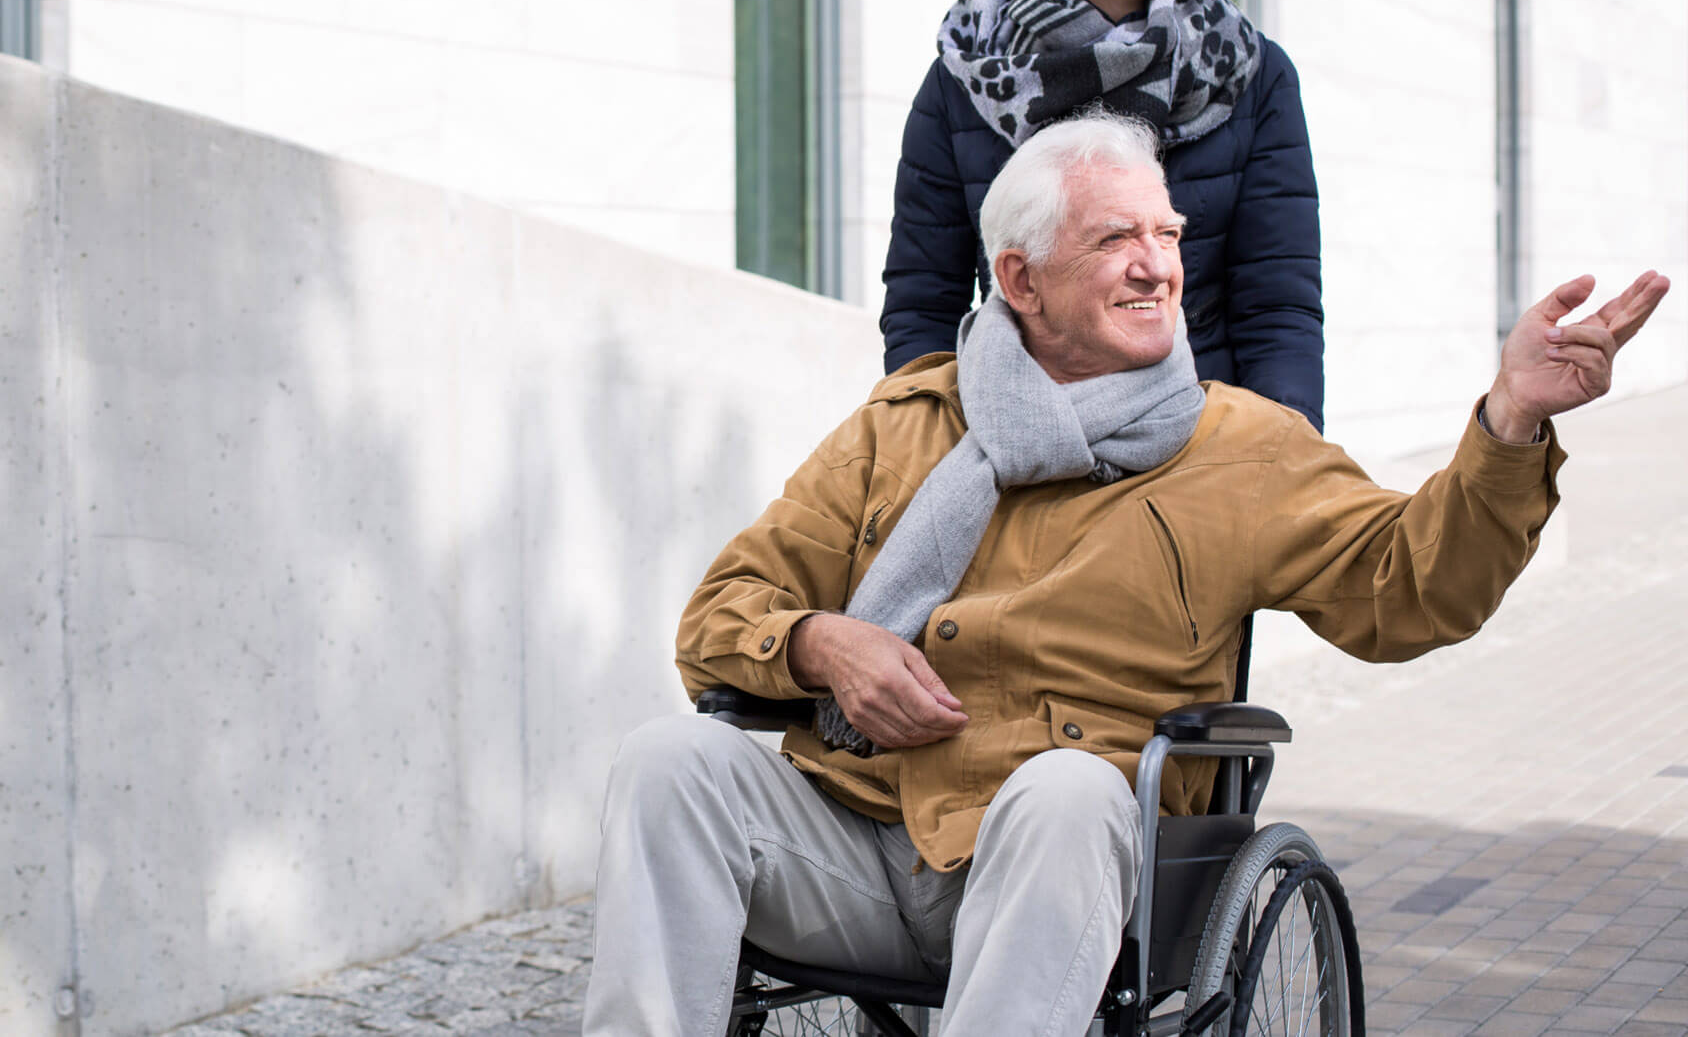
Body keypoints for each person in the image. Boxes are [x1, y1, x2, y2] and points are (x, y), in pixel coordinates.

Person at [582, 111, 1669, 1035]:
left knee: (1062, 790)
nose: (1158, 263)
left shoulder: (1241, 446)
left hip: (1070, 869)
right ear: (1021, 279)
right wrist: (822, 642)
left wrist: (1512, 420)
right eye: (1115, 239)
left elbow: (1412, 585)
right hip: (860, 840)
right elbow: (721, 614)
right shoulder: (907, 422)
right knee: (671, 761)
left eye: (1166, 233)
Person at [881, 0, 1324, 430]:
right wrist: (919, 437)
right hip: (1018, 436)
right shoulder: (973, 70)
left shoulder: (1250, 72)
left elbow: (1277, 302)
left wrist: (1282, 452)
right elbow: (924, 293)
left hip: (1197, 440)